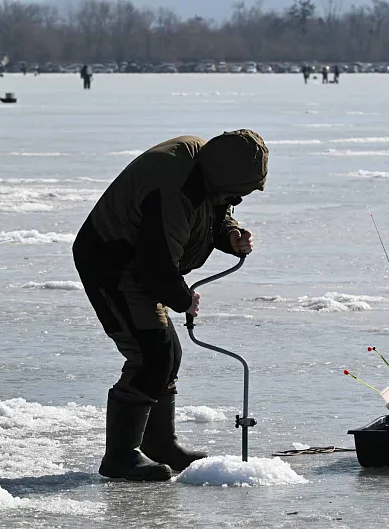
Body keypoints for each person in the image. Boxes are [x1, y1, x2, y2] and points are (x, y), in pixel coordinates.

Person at [72, 130, 268, 481]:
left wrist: (230, 233)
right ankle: (120, 456)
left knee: (166, 355)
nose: (239, 197)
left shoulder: (207, 166)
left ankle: (160, 444)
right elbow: (156, 265)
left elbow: (209, 209)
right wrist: (183, 299)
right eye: (239, 190)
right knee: (150, 354)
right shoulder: (175, 188)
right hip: (113, 262)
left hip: (140, 261)